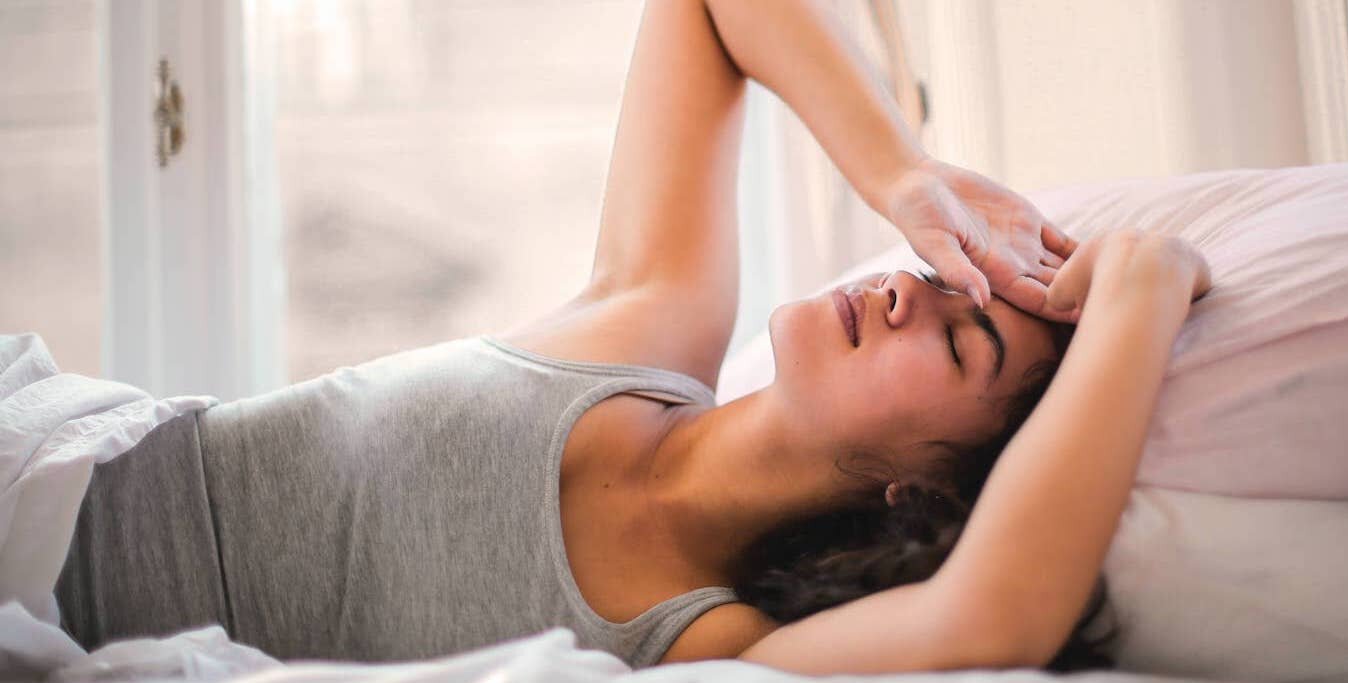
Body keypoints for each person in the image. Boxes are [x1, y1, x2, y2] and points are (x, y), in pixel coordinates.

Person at [54, 0, 1210, 675]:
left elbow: (998, 612)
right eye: (941, 277)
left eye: (961, 345)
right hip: (46, 466)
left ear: (918, 492)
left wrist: (1142, 288)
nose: (915, 290)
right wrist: (904, 173)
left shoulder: (703, 640)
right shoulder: (645, 324)